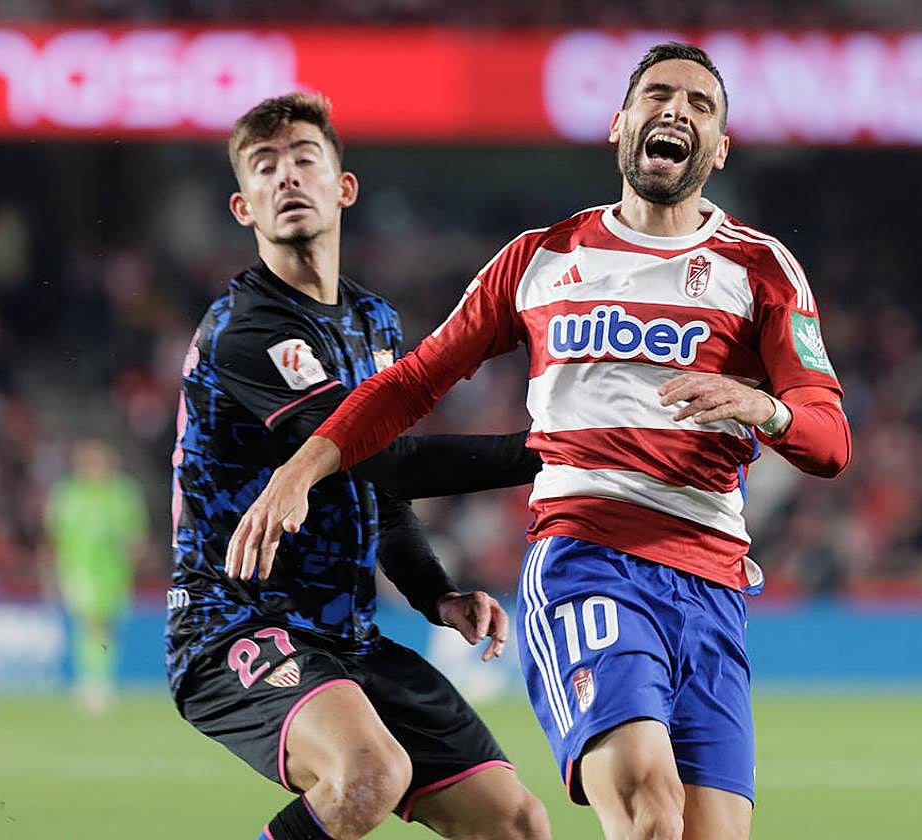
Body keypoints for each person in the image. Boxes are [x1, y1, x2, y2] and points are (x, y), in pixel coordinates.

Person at [230, 44, 852, 840]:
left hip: (713, 588)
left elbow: (830, 440)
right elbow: (411, 383)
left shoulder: (761, 269)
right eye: (657, 96)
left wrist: (763, 408)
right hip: (590, 561)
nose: (676, 112)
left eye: (699, 105)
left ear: (721, 147)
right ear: (619, 124)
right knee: (647, 806)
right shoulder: (540, 258)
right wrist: (302, 469)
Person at [166, 93, 551, 840]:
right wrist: (556, 447)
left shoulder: (372, 322)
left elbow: (376, 492)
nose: (287, 177)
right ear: (243, 207)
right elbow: (389, 459)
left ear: (344, 187)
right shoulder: (246, 330)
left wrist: (435, 595)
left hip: (347, 637)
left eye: (304, 159)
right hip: (234, 624)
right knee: (368, 773)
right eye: (265, 166)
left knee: (517, 825)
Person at [46, 438, 146, 715]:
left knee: (109, 629)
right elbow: (55, 536)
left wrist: (134, 552)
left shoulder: (122, 492)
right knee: (92, 625)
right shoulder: (69, 494)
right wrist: (54, 572)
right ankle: (92, 685)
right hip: (80, 570)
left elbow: (135, 534)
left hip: (115, 573)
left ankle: (100, 682)